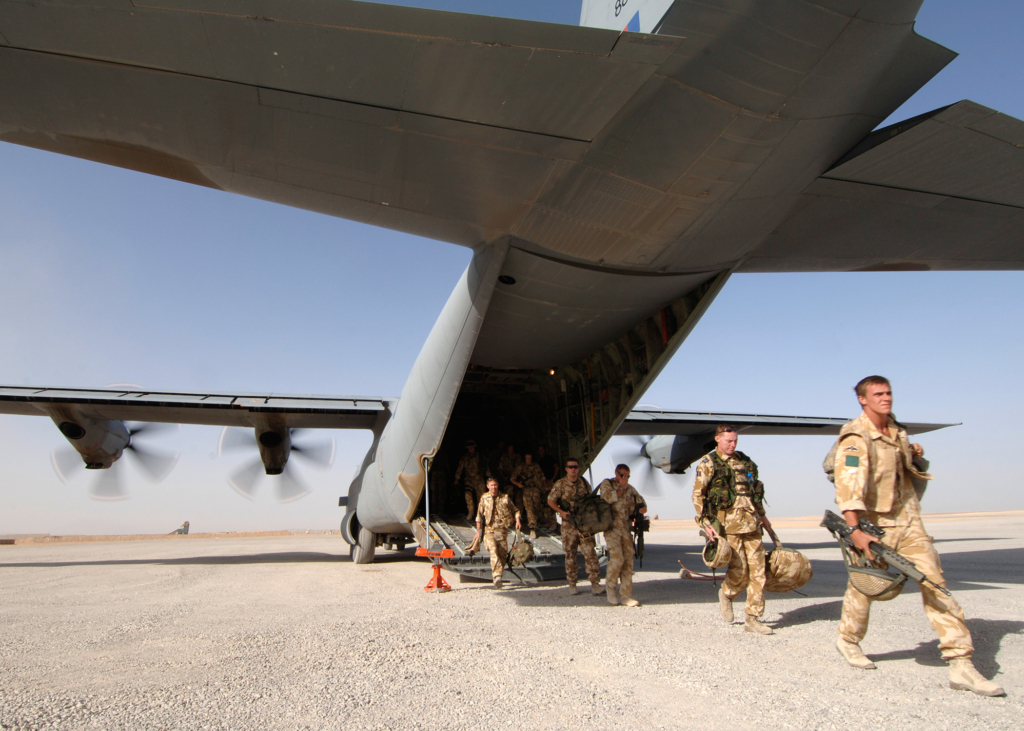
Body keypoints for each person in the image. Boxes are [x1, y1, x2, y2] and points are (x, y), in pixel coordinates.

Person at [831, 376, 1004, 696]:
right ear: (862, 400)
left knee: (935, 583)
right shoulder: (855, 437)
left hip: (909, 524)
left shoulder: (898, 432)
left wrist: (911, 452)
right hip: (874, 526)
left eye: (889, 393)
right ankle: (848, 639)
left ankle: (961, 663)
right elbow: (848, 485)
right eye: (878, 394)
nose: (886, 398)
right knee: (866, 585)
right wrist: (855, 530)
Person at [692, 425, 774, 635]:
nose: (733, 444)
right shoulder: (709, 463)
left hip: (752, 524)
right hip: (729, 527)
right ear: (717, 439)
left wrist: (763, 516)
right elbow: (698, 494)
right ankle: (727, 594)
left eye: (735, 440)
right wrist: (705, 523)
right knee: (739, 572)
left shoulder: (745, 462)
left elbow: (754, 492)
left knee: (759, 572)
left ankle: (752, 619)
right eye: (728, 440)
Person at [547, 458, 604, 596]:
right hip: (569, 524)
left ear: (578, 468)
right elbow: (550, 500)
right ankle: (572, 584)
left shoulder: (584, 483)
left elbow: (591, 500)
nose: (573, 469)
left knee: (590, 553)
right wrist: (561, 512)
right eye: (570, 467)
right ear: (566, 469)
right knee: (570, 554)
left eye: (575, 467)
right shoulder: (560, 484)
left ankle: (595, 584)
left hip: (584, 524)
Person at [599, 464, 646, 607]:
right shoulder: (607, 484)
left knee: (628, 561)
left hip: (625, 528)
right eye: (622, 475)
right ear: (616, 473)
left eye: (627, 476)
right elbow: (609, 498)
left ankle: (626, 595)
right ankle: (611, 588)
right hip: (612, 527)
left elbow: (642, 503)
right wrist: (621, 487)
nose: (624, 479)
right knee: (617, 558)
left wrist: (641, 508)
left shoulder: (630, 489)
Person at [472, 477, 521, 589]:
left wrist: (517, 521)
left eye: (495, 485)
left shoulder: (505, 498)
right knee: (493, 548)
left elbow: (516, 510)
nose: (493, 487)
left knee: (502, 555)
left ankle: (498, 576)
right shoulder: (484, 498)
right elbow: (479, 516)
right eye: (491, 485)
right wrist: (478, 532)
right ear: (487, 486)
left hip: (502, 531)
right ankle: (497, 576)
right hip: (489, 530)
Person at [510, 452, 547, 538]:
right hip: (526, 490)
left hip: (536, 489)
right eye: (527, 457)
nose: (529, 459)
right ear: (525, 458)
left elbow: (542, 477)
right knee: (529, 508)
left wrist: (544, 487)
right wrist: (518, 484)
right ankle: (532, 528)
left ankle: (535, 522)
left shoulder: (536, 466)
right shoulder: (521, 467)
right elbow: (512, 478)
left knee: (536, 507)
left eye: (530, 457)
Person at [454, 440, 490, 521]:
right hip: (469, 479)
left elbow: (486, 467)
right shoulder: (465, 457)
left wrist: (490, 477)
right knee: (468, 494)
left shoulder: (480, 456)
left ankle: (480, 513)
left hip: (479, 479)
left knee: (481, 497)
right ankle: (471, 511)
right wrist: (457, 478)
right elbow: (460, 468)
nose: (471, 450)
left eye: (472, 448)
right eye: (469, 448)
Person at [498, 443, 524, 507]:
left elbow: (522, 468)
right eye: (510, 449)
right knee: (509, 498)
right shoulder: (504, 457)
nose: (511, 450)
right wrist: (504, 477)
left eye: (512, 449)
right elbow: (500, 468)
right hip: (508, 480)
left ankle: (519, 515)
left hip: (517, 481)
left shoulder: (518, 457)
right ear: (507, 449)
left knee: (519, 499)